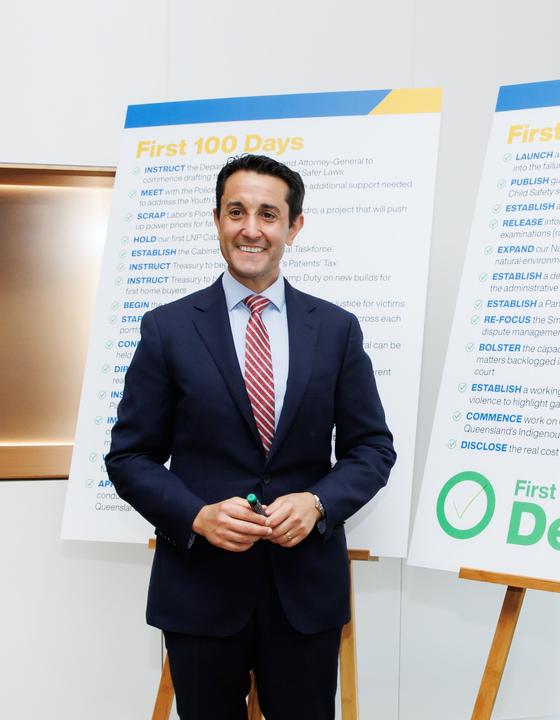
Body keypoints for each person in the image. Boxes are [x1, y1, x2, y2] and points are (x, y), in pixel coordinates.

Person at [107, 153, 396, 719]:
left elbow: (372, 449)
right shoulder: (167, 328)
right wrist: (197, 515)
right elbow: (130, 456)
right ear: (217, 219)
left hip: (304, 595)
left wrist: (318, 503)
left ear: (294, 227)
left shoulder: (336, 329)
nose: (251, 228)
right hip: (200, 593)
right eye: (236, 211)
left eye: (269, 213)